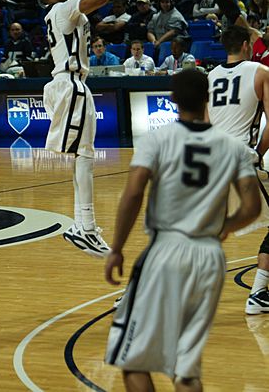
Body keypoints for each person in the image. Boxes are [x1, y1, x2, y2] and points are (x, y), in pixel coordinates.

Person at [104, 68, 261, 392]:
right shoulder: (232, 146)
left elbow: (133, 193)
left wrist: (117, 247)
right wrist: (224, 226)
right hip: (210, 257)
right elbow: (252, 208)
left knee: (133, 361)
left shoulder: (158, 139)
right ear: (209, 98)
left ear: (172, 99)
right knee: (186, 372)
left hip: (166, 251)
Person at [199, 0, 269, 315]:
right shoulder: (259, 58)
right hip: (250, 141)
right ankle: (259, 293)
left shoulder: (215, 73)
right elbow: (232, 12)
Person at [36, 0, 111, 258]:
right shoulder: (64, 8)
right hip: (70, 84)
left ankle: (84, 225)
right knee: (85, 155)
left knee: (84, 155)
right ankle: (86, 227)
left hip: (69, 84)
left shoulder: (66, 10)